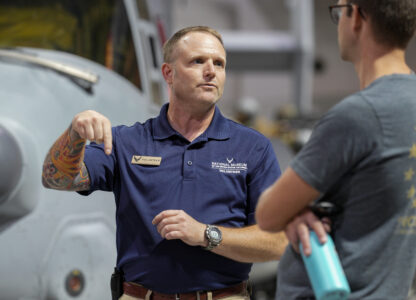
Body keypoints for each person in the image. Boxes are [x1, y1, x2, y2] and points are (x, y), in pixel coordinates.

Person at [42, 26, 287, 300]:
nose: (211, 71)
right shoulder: (126, 142)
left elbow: (277, 242)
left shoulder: (252, 147)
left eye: (219, 63)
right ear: (168, 73)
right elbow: (56, 179)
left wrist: (206, 234)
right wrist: (74, 134)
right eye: (198, 61)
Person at [255, 0, 416, 299]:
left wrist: (292, 212)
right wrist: (299, 212)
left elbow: (267, 214)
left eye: (339, 10)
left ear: (355, 16)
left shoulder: (358, 115)